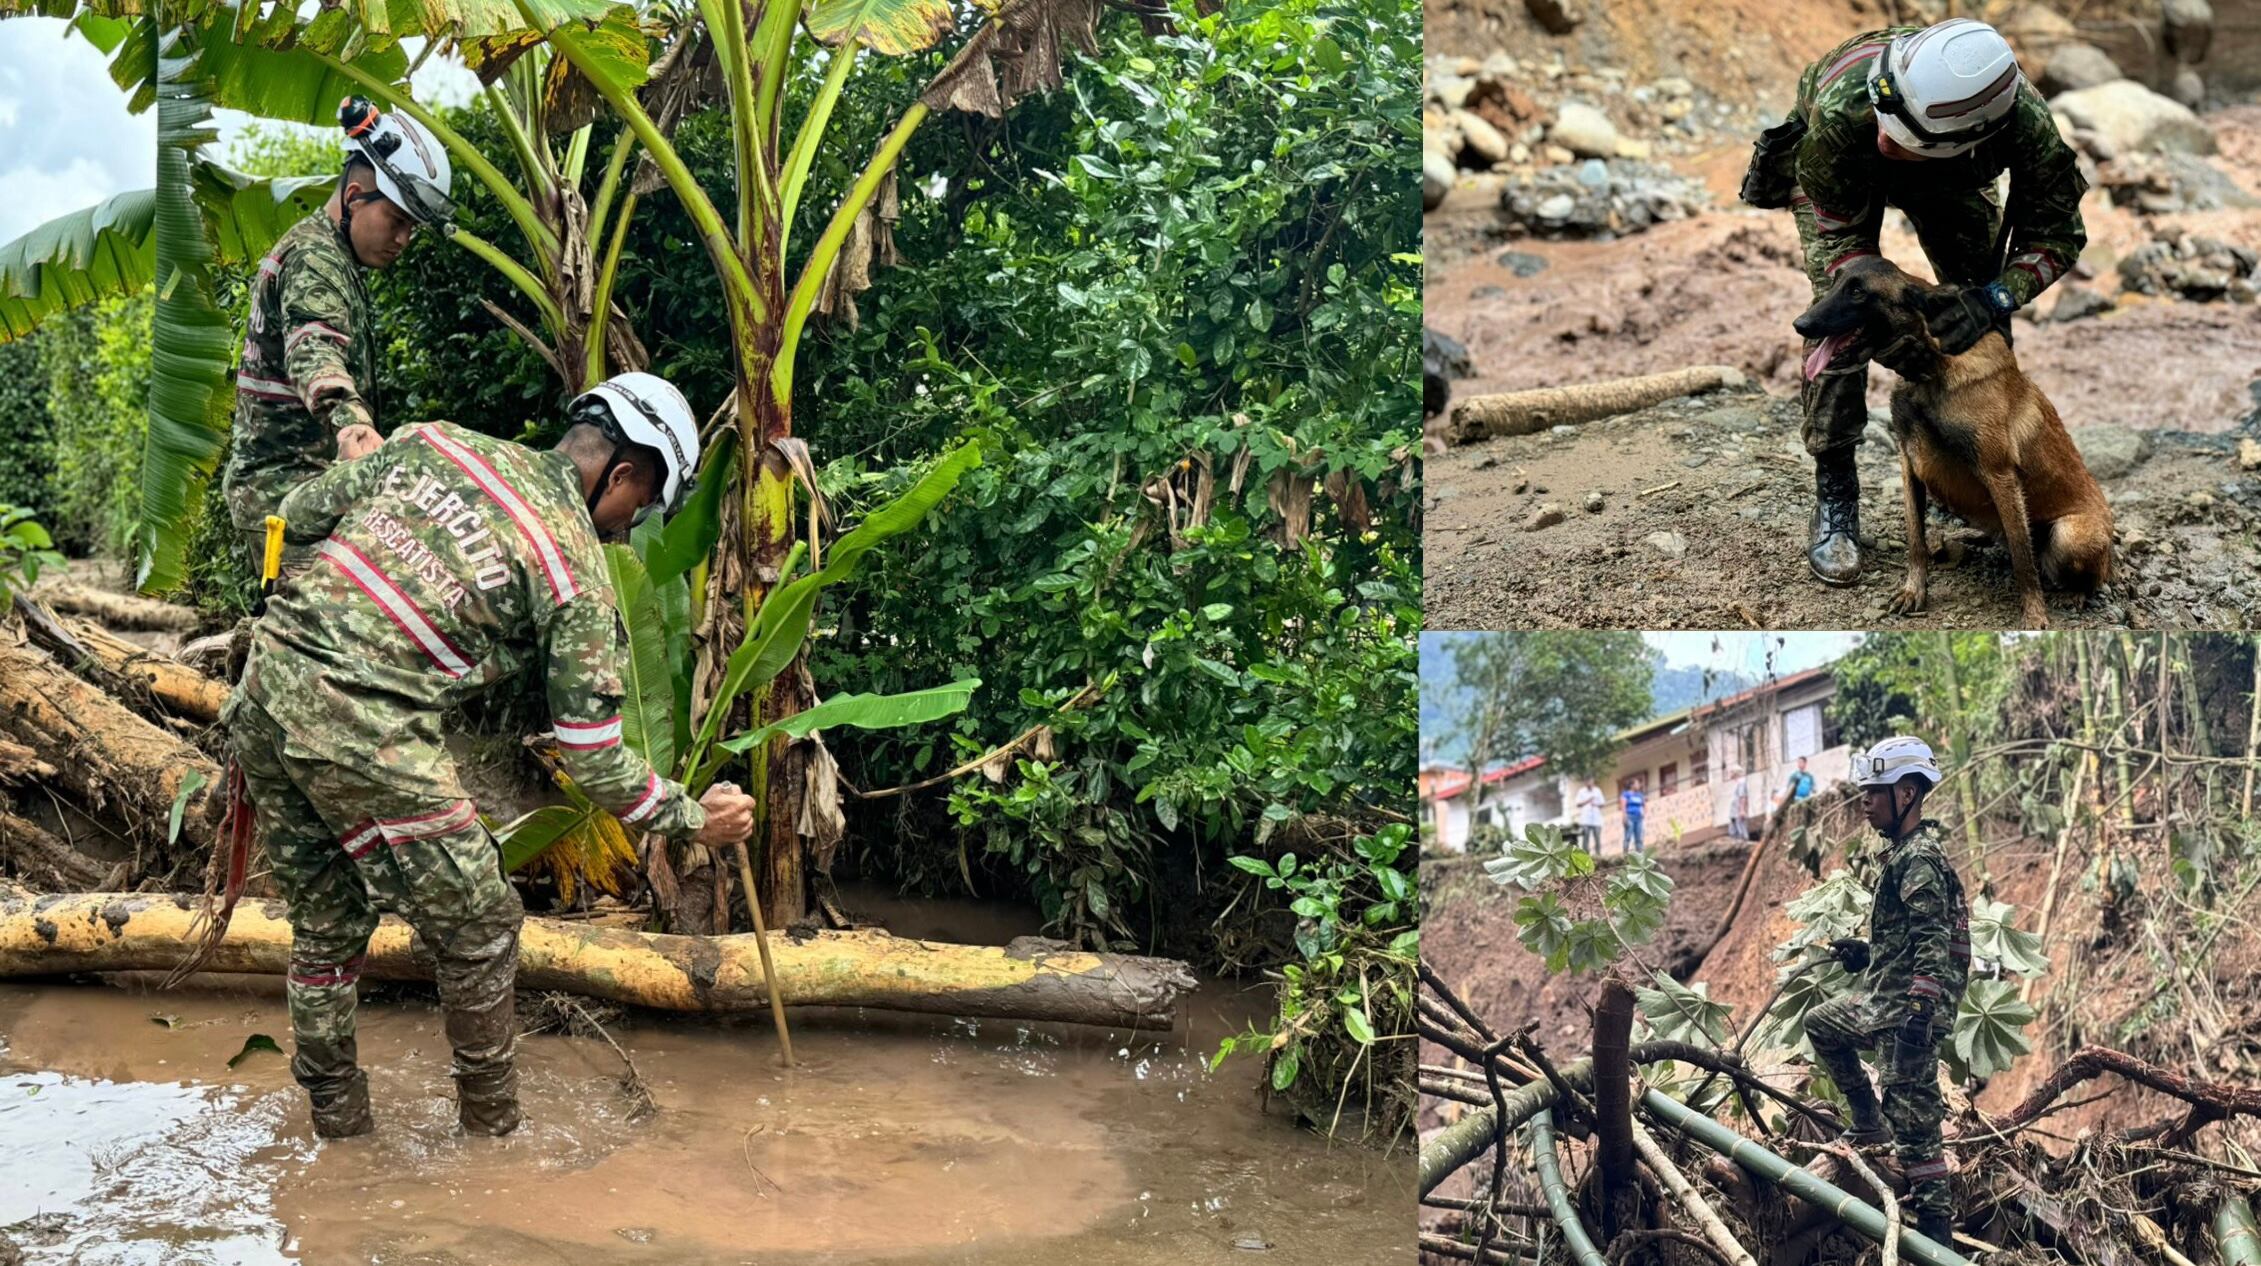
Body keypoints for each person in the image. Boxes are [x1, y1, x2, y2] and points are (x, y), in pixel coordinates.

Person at [226, 371, 756, 1141]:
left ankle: (338, 1130)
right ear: (623, 474)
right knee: (482, 924)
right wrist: (690, 818)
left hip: (264, 692)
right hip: (369, 728)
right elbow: (596, 759)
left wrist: (304, 612)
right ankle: (493, 1139)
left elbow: (291, 516)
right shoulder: (573, 571)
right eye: (637, 510)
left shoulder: (433, 441)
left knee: (326, 929)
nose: (624, 530)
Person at [1741, 19, 2087, 586]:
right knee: (1841, 323)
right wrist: (1889, 326)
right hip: (1843, 171)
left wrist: (1991, 296)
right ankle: (1836, 495)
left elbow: (2059, 236)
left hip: (1949, 179)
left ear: (1970, 136)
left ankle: (1979, 482)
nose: (1887, 135)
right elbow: (1842, 248)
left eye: (1906, 135)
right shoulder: (1849, 110)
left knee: (1981, 328)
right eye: (1889, 118)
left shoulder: (2025, 127)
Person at [221, 96, 454, 579]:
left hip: (308, 488)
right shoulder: (315, 259)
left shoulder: (334, 256)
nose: (403, 240)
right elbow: (314, 349)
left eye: (413, 227)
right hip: (283, 495)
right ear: (353, 198)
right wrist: (352, 425)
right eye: (397, 220)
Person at [1805, 736, 1971, 1247]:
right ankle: (1867, 1122)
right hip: (1882, 1004)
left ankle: (1937, 1238)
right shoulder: (1902, 855)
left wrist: (1921, 1014)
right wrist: (1865, 953)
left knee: (1916, 1127)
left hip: (1905, 1015)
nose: (1865, 802)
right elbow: (1906, 941)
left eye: (1873, 792)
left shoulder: (1919, 859)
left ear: (1905, 794)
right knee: (1821, 1023)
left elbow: (1933, 943)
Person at [1574, 778, 1603, 851]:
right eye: (1588, 782)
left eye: (1591, 781)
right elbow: (1578, 804)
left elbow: (1602, 803)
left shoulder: (1597, 790)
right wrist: (1588, 800)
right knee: (1585, 838)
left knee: (1597, 838)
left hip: (1596, 819)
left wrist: (1595, 804)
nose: (1590, 783)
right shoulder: (1581, 791)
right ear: (1585, 782)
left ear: (1593, 782)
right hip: (1585, 819)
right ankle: (1586, 856)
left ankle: (1598, 855)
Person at [1619, 779, 1646, 854]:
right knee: (1628, 836)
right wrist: (1624, 817)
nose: (1638, 785)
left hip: (1639, 818)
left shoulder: (1640, 795)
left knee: (1639, 838)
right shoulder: (1626, 794)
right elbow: (1623, 806)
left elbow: (1644, 805)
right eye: (1637, 784)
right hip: (1629, 817)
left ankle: (1640, 855)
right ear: (1632, 785)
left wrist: (1644, 813)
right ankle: (1625, 854)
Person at [1727, 766, 1750, 841]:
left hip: (1738, 811)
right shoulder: (1737, 783)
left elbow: (1742, 796)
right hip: (1734, 812)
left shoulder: (1741, 782)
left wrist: (1742, 810)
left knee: (1741, 830)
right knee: (1732, 831)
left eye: (1730, 772)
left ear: (1735, 773)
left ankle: (1744, 842)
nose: (1729, 774)